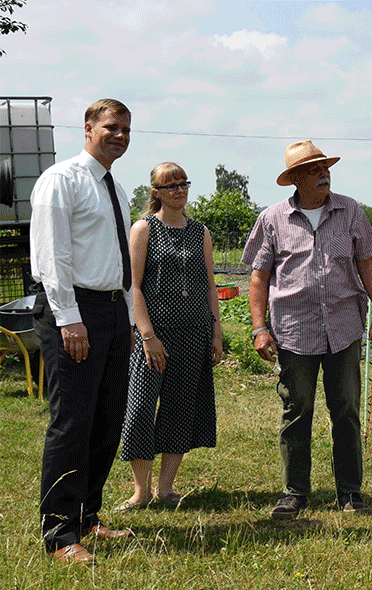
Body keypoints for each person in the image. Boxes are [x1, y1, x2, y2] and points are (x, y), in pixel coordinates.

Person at [241, 140, 372, 520]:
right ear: (294, 179)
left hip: (343, 327)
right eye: (313, 170)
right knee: (296, 409)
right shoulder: (273, 219)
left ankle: (350, 492)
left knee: (346, 409)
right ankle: (295, 493)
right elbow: (258, 278)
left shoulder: (350, 210)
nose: (323, 174)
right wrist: (260, 328)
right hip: (293, 330)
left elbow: (367, 264)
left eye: (325, 167)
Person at [30, 98, 136, 564]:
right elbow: (52, 258)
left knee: (107, 421)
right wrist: (69, 317)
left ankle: (88, 516)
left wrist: (128, 322)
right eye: (111, 127)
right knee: (72, 423)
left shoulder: (116, 187)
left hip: (113, 311)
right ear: (89, 128)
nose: (119, 135)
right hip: (73, 310)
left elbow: (121, 264)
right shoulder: (61, 180)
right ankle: (58, 533)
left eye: (126, 129)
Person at [115, 163, 222, 512]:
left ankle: (166, 488)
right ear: (156, 192)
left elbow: (210, 285)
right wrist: (147, 335)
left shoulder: (200, 232)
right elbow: (133, 287)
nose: (179, 190)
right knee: (141, 407)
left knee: (180, 407)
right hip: (154, 335)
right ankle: (140, 491)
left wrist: (216, 332)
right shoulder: (143, 229)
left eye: (183, 184)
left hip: (194, 333)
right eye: (170, 185)